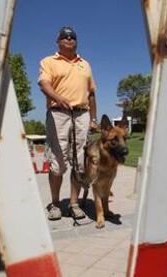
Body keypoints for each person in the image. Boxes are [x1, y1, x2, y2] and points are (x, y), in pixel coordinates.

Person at [38, 26, 98, 220]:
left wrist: (94, 119)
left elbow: (91, 94)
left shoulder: (85, 64)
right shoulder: (49, 61)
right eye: (65, 37)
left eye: (73, 37)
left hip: (82, 115)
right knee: (58, 161)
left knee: (80, 162)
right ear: (58, 41)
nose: (70, 39)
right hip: (58, 114)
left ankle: (74, 203)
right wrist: (57, 97)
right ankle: (55, 204)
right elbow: (44, 83)